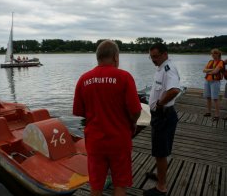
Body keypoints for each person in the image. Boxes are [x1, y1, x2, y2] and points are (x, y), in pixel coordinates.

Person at [73, 40, 142, 196]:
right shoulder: (124, 77)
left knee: (96, 185)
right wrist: (133, 122)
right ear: (116, 57)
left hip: (95, 141)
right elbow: (136, 110)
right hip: (119, 140)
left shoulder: (84, 79)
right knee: (120, 184)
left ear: (98, 57)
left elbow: (79, 111)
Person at [144, 43, 180, 196]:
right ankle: (161, 177)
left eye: (156, 56)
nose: (153, 59)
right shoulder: (161, 67)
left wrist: (159, 103)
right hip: (161, 115)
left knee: (160, 153)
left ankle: (161, 187)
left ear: (165, 54)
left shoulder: (168, 68)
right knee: (160, 151)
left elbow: (174, 90)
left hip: (163, 116)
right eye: (151, 57)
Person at [202, 48, 224, 121]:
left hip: (215, 81)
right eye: (212, 53)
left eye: (215, 53)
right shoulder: (210, 61)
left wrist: (208, 71)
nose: (213, 55)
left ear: (218, 54)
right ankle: (209, 112)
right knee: (208, 97)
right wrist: (212, 70)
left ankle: (217, 115)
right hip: (207, 81)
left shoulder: (221, 62)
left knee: (215, 98)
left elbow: (215, 72)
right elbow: (203, 70)